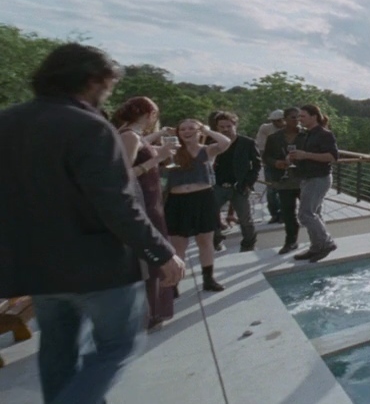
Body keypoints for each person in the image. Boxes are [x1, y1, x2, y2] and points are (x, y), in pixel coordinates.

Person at [0, 43, 185, 404]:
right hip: (96, 267)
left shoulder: (7, 122)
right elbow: (116, 202)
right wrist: (161, 252)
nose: (108, 95)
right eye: (108, 85)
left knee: (58, 353)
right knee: (119, 345)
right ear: (93, 80)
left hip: (34, 267)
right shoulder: (88, 126)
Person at [112, 97, 181, 331]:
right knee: (152, 256)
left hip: (152, 200)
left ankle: (155, 310)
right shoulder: (129, 135)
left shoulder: (134, 134)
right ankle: (150, 313)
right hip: (143, 202)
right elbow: (123, 174)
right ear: (150, 113)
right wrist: (157, 160)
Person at [166, 118, 232, 291]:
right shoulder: (171, 151)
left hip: (203, 198)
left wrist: (207, 130)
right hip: (178, 200)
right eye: (182, 129)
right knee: (178, 244)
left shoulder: (207, 150)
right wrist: (162, 133)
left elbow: (225, 142)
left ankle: (208, 279)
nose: (187, 132)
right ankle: (174, 283)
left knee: (205, 241)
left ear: (199, 131)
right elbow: (143, 144)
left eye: (191, 129)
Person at [288, 104, 340, 262]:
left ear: (314, 117)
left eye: (303, 116)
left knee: (305, 214)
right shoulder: (306, 134)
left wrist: (305, 155)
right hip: (307, 177)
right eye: (299, 116)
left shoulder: (325, 134)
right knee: (314, 213)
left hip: (319, 178)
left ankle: (326, 243)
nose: (299, 119)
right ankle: (316, 247)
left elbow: (332, 157)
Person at [211, 111, 262, 252]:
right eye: (222, 127)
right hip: (217, 186)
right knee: (210, 216)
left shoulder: (247, 143)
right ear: (217, 127)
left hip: (239, 186)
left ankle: (248, 245)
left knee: (245, 219)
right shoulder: (212, 143)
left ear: (235, 125)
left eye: (228, 126)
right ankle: (216, 241)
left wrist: (248, 184)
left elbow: (257, 165)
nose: (225, 129)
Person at [263, 107, 304, 254]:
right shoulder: (274, 138)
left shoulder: (306, 136)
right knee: (288, 211)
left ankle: (319, 239)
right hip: (284, 180)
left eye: (300, 117)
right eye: (293, 117)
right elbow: (266, 157)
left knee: (311, 212)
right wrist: (276, 163)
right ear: (285, 119)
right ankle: (291, 241)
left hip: (304, 179)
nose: (297, 120)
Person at [255, 109, 286, 224]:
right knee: (272, 190)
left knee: (286, 190)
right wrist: (270, 162)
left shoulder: (291, 128)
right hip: (271, 162)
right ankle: (274, 213)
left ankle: (284, 214)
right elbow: (262, 147)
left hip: (288, 162)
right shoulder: (266, 128)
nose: (277, 123)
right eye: (274, 121)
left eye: (279, 120)